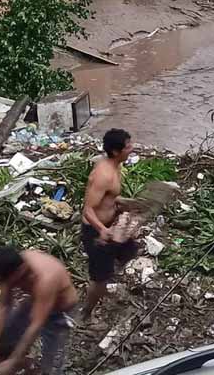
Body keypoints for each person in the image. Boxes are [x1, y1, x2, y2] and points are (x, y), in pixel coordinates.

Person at [0, 247, 78, 375]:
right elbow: (3, 305)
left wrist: (14, 361)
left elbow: (35, 325)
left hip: (60, 311)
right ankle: (18, 361)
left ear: (22, 270)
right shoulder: (10, 267)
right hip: (36, 301)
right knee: (7, 336)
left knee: (51, 365)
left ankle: (35, 367)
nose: (15, 284)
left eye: (18, 279)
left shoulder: (45, 279)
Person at [79, 128, 137, 321]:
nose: (132, 148)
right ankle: (86, 313)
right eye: (128, 146)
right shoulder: (103, 175)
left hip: (111, 225)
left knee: (130, 251)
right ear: (115, 151)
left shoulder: (115, 166)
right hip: (96, 232)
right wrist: (102, 231)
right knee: (99, 279)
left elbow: (109, 197)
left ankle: (110, 270)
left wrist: (124, 202)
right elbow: (88, 209)